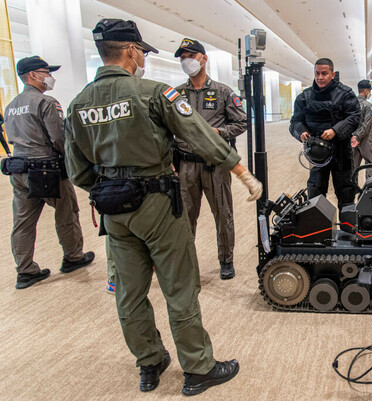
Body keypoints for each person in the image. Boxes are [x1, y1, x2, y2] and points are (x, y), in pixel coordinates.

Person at [64, 19, 261, 395]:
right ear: (132, 51)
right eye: (142, 52)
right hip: (157, 203)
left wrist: (109, 188)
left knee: (129, 292)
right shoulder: (155, 93)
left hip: (112, 209)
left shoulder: (78, 105)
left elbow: (77, 172)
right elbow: (198, 134)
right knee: (180, 286)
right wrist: (241, 172)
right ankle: (199, 368)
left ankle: (150, 363)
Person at [2, 56, 94, 290]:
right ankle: (73, 257)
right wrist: (76, 161)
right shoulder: (46, 102)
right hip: (47, 169)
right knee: (66, 212)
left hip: (19, 169)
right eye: (46, 72)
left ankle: (25, 270)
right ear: (33, 75)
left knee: (22, 222)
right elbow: (58, 138)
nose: (49, 77)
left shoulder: (11, 105)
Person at [173, 38, 247, 280]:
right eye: (182, 57)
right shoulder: (177, 95)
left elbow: (242, 122)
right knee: (184, 216)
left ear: (203, 59)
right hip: (185, 165)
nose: (186, 61)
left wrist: (220, 132)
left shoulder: (223, 92)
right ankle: (185, 262)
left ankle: (226, 259)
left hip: (215, 165)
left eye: (190, 56)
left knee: (223, 212)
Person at [289, 58, 360, 212]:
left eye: (324, 73)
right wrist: (300, 132)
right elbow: (295, 122)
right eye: (317, 73)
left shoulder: (345, 94)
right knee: (315, 194)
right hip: (316, 154)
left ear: (332, 74)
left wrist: (335, 130)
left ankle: (348, 231)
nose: (320, 77)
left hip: (341, 153)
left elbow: (354, 117)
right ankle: (319, 233)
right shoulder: (304, 97)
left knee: (346, 193)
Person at [350, 79, 372, 180]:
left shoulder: (351, 104)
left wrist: (355, 136)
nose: (370, 93)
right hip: (365, 139)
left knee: (353, 166)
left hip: (352, 139)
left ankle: (353, 189)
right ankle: (370, 190)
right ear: (366, 91)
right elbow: (366, 123)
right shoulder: (368, 106)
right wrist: (359, 136)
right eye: (369, 90)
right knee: (370, 164)